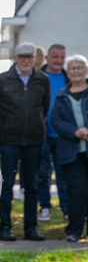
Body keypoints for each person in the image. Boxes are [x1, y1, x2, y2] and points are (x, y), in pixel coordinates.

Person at [0, 42, 51, 241]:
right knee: (6, 185)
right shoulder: (1, 80)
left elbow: (44, 107)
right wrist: (6, 126)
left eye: (29, 57)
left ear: (35, 58)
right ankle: (5, 227)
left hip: (34, 140)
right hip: (9, 140)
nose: (25, 60)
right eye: (21, 56)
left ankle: (30, 228)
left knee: (31, 186)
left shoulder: (42, 80)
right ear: (15, 57)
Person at [51, 55, 88, 242]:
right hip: (72, 152)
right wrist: (76, 131)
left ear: (86, 71)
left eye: (80, 67)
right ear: (68, 72)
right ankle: (74, 230)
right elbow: (55, 121)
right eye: (72, 68)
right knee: (77, 190)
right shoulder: (61, 96)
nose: (76, 71)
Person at [38, 43, 69, 222]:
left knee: (63, 173)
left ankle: (66, 209)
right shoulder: (39, 77)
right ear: (47, 58)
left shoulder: (69, 78)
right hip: (42, 134)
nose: (59, 61)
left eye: (62, 57)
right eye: (55, 57)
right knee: (43, 174)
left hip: (64, 135)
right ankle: (45, 207)